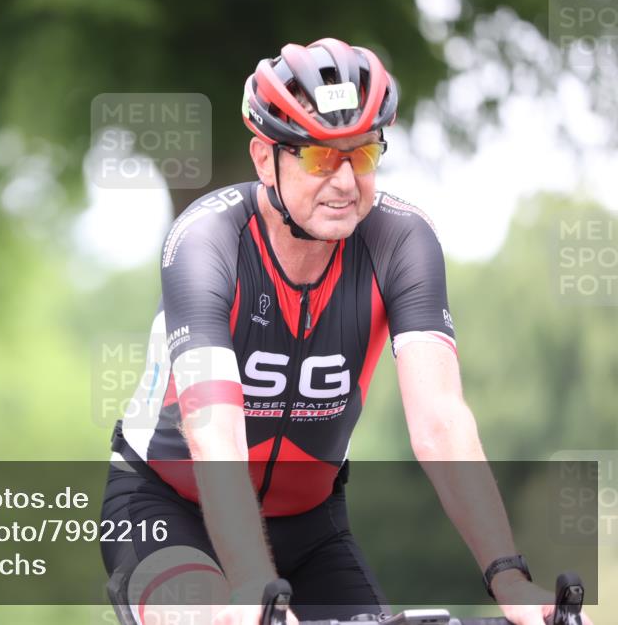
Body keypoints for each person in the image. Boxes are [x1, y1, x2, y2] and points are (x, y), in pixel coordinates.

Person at [100, 38, 595, 625]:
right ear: (264, 159)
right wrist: (256, 591)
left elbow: (440, 423)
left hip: (312, 527)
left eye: (360, 155)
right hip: (166, 511)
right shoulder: (207, 241)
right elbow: (215, 435)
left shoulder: (400, 242)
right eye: (317, 157)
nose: (342, 182)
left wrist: (509, 580)